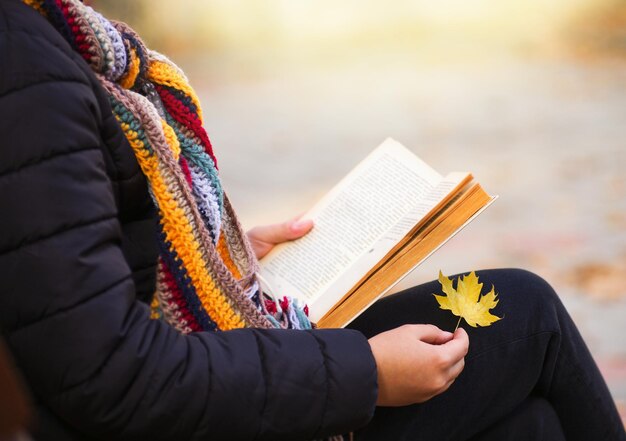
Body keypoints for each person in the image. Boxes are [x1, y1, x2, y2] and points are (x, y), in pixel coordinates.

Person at [0, 1, 624, 440]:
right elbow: (113, 378)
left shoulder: (48, 38)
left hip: (183, 371)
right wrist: (367, 375)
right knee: (527, 314)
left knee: (530, 427)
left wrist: (219, 252)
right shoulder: (28, 67)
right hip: (161, 410)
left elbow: (53, 269)